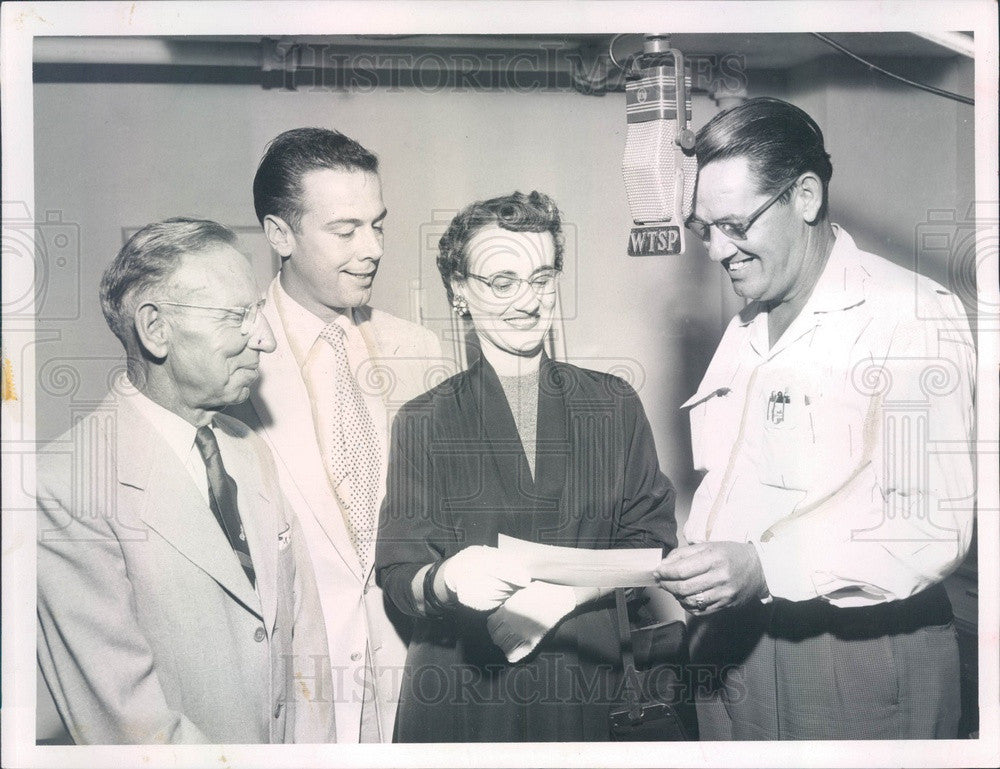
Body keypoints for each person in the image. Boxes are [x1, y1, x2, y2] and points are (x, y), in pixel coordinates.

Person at [654, 97, 976, 739]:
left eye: (736, 224)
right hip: (739, 651)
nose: (719, 250)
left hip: (860, 655)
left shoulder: (905, 317)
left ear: (805, 196)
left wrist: (763, 566)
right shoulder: (752, 320)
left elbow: (928, 520)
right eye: (704, 229)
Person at [375, 191, 678, 742]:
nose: (527, 300)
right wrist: (445, 580)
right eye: (502, 282)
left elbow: (653, 542)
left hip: (587, 679)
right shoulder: (424, 420)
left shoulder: (612, 404)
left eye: (541, 278)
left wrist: (560, 595)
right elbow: (399, 575)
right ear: (460, 291)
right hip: (465, 692)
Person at [36, 218, 336, 744]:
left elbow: (303, 644)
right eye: (236, 316)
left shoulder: (247, 446)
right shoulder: (64, 485)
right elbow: (130, 727)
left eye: (258, 312)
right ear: (155, 329)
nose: (263, 339)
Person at [228, 128, 443, 743]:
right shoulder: (231, 367)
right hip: (296, 693)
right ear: (279, 234)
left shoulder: (418, 350)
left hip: (417, 675)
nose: (372, 248)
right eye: (345, 231)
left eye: (378, 224)